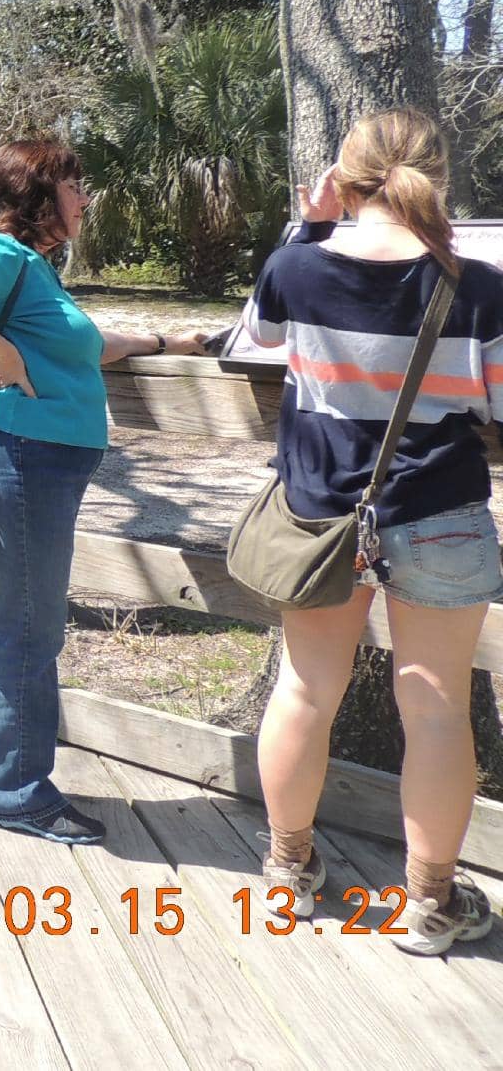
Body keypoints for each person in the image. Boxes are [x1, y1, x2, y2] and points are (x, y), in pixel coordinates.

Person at [240, 108, 499, 956]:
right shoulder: (478, 286)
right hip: (440, 512)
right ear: (439, 178)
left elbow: (252, 339)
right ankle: (429, 903)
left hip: (321, 512)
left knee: (305, 691)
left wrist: (309, 226)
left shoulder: (296, 267)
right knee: (436, 710)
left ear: (345, 180)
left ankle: (288, 871)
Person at [0, 137, 210, 844]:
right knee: (31, 625)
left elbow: (85, 345)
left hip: (31, 458)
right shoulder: (4, 255)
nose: (85, 200)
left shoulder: (35, 272)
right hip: (24, 457)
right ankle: (17, 795)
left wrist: (165, 343)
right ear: (38, 196)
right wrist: (4, 352)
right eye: (75, 187)